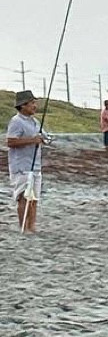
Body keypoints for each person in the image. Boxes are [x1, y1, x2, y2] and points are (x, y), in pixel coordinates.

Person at [8, 90, 44, 233]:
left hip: (35, 166)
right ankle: (23, 228)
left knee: (34, 198)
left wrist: (45, 139)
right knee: (23, 197)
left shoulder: (35, 122)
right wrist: (32, 140)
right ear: (23, 105)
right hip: (21, 167)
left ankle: (32, 227)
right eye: (32, 103)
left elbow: (43, 137)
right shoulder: (16, 121)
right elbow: (11, 142)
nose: (35, 106)